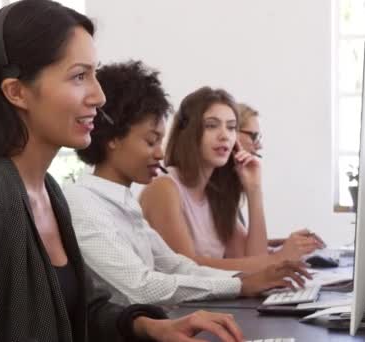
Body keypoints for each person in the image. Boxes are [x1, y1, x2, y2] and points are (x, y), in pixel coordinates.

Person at [0, 2, 246, 341]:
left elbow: (85, 307)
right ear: (17, 91)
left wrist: (150, 326)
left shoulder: (48, 190)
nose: (98, 96)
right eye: (80, 76)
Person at [64, 61, 309, 307]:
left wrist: (251, 279)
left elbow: (178, 266)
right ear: (112, 139)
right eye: (151, 142)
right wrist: (242, 284)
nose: (160, 154)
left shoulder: (124, 204)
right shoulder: (84, 203)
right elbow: (142, 286)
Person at [139, 88, 321, 274]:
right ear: (187, 133)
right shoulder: (163, 188)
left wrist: (254, 190)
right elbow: (187, 268)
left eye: (231, 127)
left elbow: (253, 261)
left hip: (210, 301)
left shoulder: (215, 194)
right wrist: (278, 258)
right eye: (211, 125)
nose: (225, 135)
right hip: (178, 303)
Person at [236, 102, 324, 251]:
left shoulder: (227, 192)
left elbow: (242, 246)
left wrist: (284, 243)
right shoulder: (210, 192)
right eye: (254, 136)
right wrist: (255, 189)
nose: (260, 146)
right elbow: (248, 258)